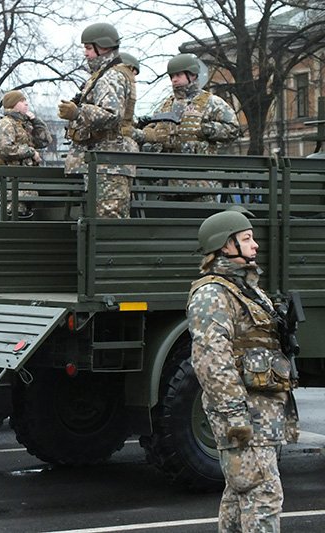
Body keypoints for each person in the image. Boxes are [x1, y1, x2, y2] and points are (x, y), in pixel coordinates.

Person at [187, 209, 298, 532]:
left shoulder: (247, 289)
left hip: (260, 412)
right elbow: (211, 360)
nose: (255, 246)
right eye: (247, 239)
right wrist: (236, 415)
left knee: (241, 493)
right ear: (225, 245)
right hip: (245, 415)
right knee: (263, 496)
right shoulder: (213, 294)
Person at [59, 22, 137, 219]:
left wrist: (78, 112)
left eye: (88, 47)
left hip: (109, 165)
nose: (85, 53)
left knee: (107, 225)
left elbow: (111, 115)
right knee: (98, 226)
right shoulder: (105, 75)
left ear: (102, 47)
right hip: (104, 164)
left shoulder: (111, 76)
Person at [141, 53, 240, 201]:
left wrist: (205, 129)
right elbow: (152, 131)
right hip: (168, 185)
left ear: (192, 75)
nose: (174, 80)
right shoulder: (166, 105)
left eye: (178, 75)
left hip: (200, 185)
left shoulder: (211, 102)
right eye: (172, 76)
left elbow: (233, 128)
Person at [0, 90, 53, 219]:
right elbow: (5, 149)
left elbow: (44, 141)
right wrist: (31, 152)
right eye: (21, 101)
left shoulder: (24, 125)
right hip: (11, 185)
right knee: (14, 218)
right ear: (13, 104)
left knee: (27, 218)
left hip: (26, 184)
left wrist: (36, 121)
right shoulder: (6, 124)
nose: (26, 103)